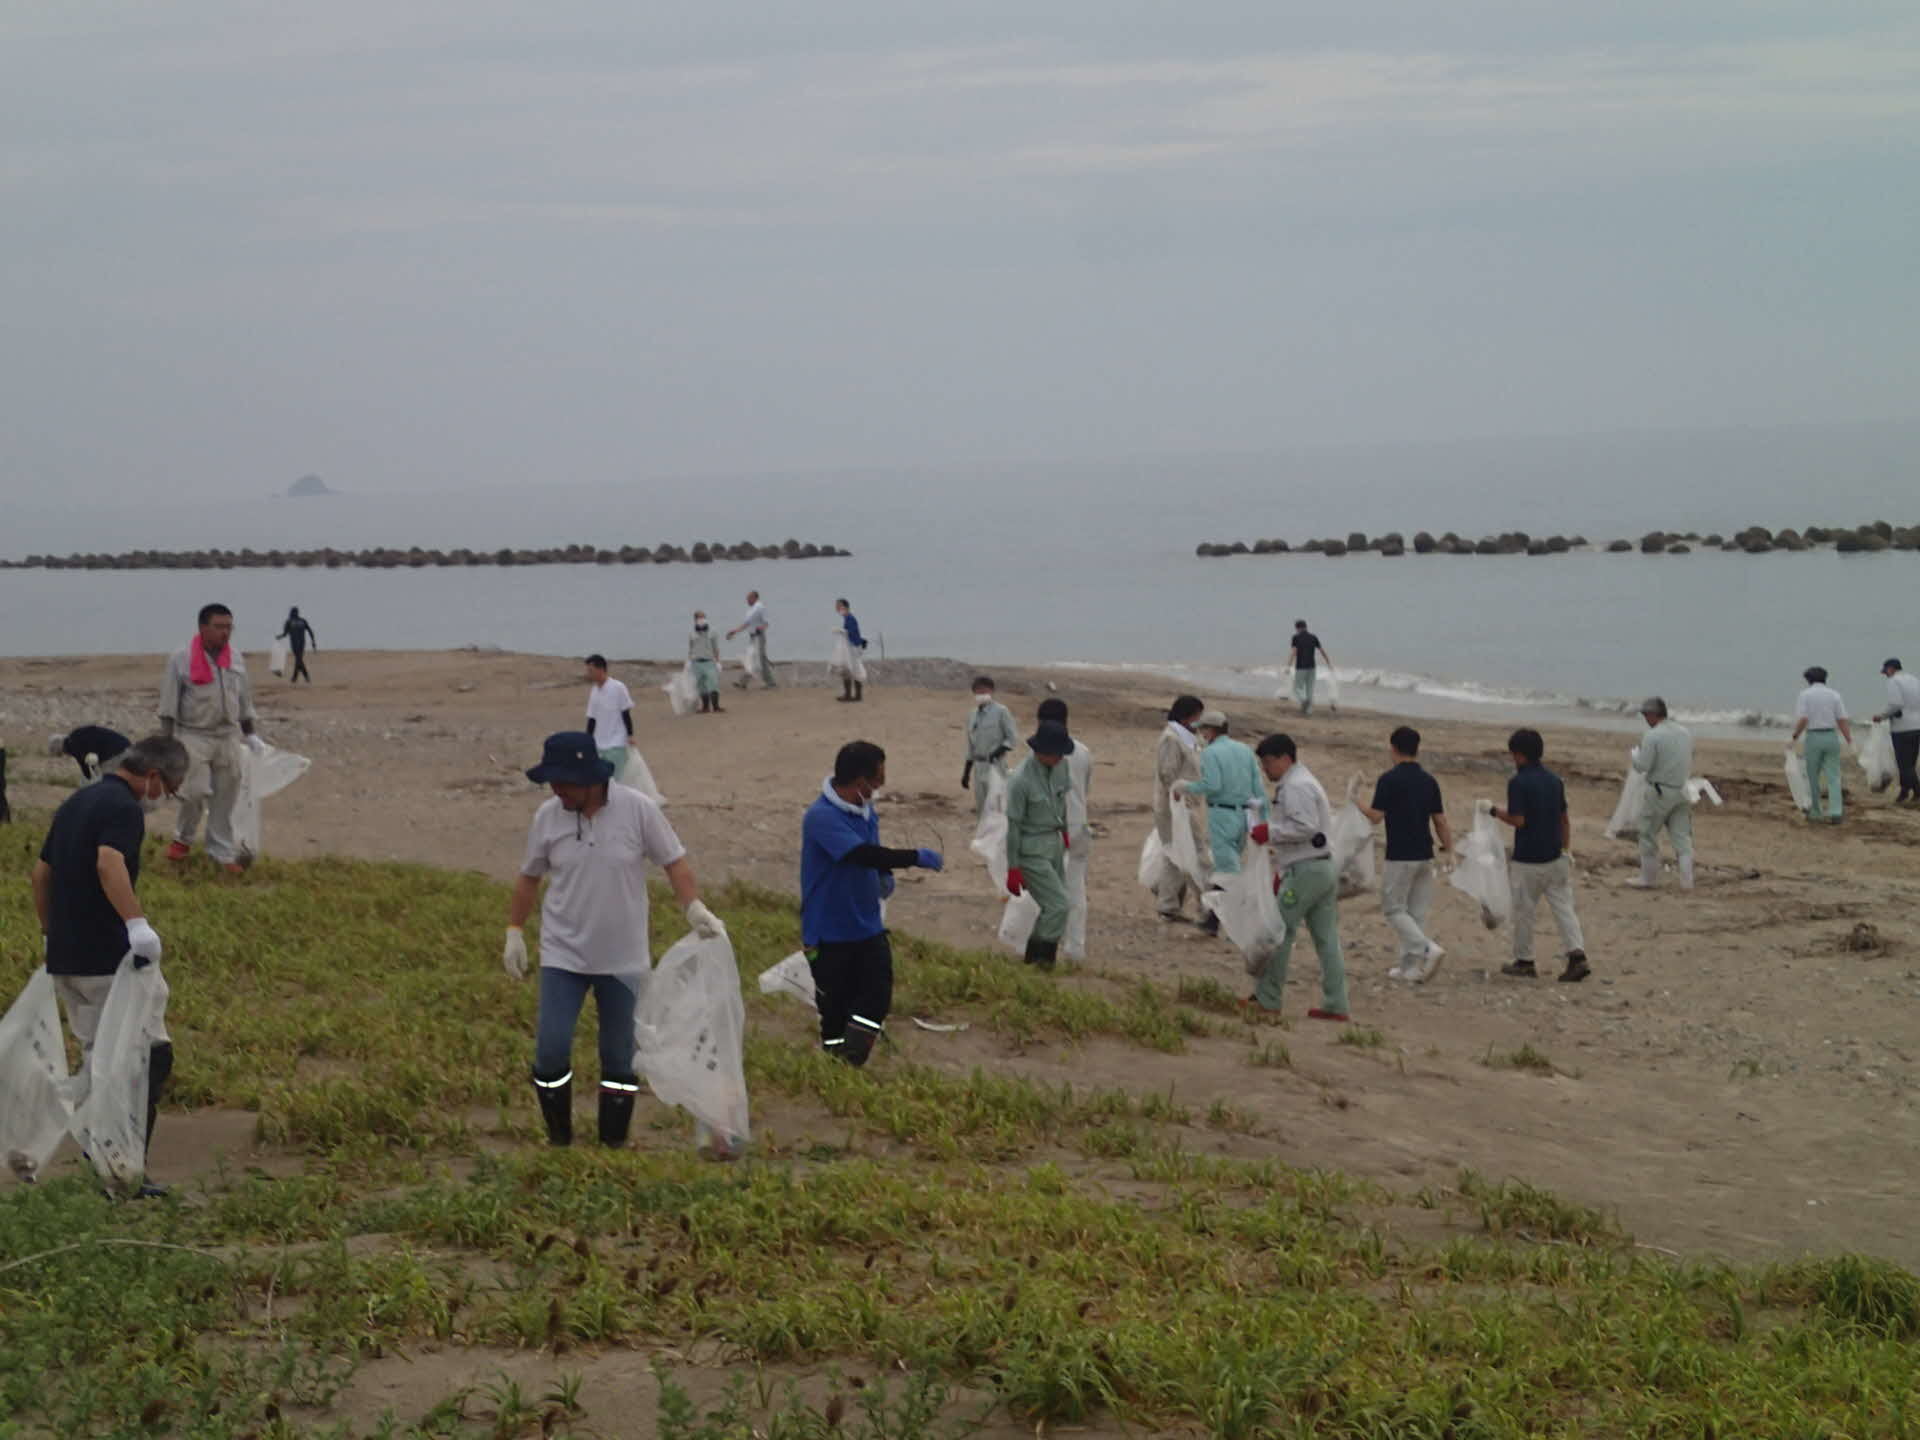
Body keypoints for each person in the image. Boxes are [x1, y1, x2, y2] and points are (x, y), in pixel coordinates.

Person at [502, 732, 725, 1148]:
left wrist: (693, 908)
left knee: (619, 1059)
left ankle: (612, 1145)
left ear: (590, 779)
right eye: (552, 783)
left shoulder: (638, 810)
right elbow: (529, 877)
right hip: (562, 955)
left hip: (624, 958)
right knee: (550, 1052)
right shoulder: (548, 817)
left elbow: (673, 862)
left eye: (564, 783)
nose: (557, 791)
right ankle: (560, 1141)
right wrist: (514, 932)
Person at [24, 734, 190, 1195]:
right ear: (153, 776)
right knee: (147, 1058)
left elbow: (41, 874)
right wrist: (136, 924)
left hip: (67, 960)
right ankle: (122, 1170)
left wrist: (49, 932)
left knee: (102, 1057)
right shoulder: (123, 809)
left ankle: (96, 1148)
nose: (166, 798)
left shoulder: (78, 801)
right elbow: (108, 863)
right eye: (170, 788)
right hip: (107, 960)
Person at [801, 741, 944, 1065]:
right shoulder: (820, 817)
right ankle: (836, 1062)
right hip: (828, 930)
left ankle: (851, 1060)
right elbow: (860, 854)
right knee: (835, 1009)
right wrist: (914, 857)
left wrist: (884, 874)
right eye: (877, 779)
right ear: (859, 780)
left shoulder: (865, 813)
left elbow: (872, 848)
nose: (880, 785)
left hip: (866, 924)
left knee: (877, 996)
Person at [1247, 734, 1349, 1021]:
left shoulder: (1296, 786)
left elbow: (1306, 827)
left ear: (1285, 759)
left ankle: (1268, 998)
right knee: (1326, 938)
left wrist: (1270, 832)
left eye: (1268, 763)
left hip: (1306, 869)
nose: (1265, 770)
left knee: (1278, 932)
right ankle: (1336, 1003)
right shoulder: (1300, 782)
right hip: (1319, 867)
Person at [158, 603, 265, 873]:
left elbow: (244, 699)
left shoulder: (236, 659)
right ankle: (182, 840)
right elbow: (169, 704)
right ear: (203, 628)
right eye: (219, 627)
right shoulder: (180, 659)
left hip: (227, 736)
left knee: (225, 796)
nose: (225, 633)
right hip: (193, 734)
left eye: (229, 627)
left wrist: (250, 734)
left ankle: (221, 853)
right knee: (194, 792)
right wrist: (167, 744)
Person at [1490, 728, 1590, 982]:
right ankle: (1577, 954)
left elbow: (1518, 820)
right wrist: (1566, 849)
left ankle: (1524, 960)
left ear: (1520, 755)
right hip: (1555, 855)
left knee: (1524, 911)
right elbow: (1564, 819)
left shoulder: (1518, 782)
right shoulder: (1555, 781)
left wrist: (1494, 811)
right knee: (1564, 908)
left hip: (1528, 859)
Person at [1356, 726, 1451, 982]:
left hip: (1400, 854)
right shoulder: (1429, 780)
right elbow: (1440, 820)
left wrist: (1357, 802)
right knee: (1415, 912)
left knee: (1393, 908)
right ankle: (1409, 968)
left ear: (1393, 748)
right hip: (1424, 853)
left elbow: (1376, 817)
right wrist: (1448, 848)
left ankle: (1427, 949)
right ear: (1416, 749)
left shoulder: (1389, 779)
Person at [1182, 710, 1267, 938]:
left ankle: (1225, 920)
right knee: (1229, 867)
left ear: (1210, 731)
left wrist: (1186, 786)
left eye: (1203, 730)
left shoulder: (1210, 753)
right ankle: (1213, 919)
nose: (1201, 734)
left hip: (1221, 813)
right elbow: (1258, 788)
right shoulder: (1245, 751)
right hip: (1244, 814)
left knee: (1227, 870)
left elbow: (1213, 785)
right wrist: (1264, 820)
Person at [1004, 722, 1076, 969]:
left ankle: (1034, 961)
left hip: (1053, 844)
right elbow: (1013, 827)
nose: (1060, 758)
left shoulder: (1061, 767)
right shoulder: (1020, 780)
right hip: (1030, 849)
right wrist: (1013, 867)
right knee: (1059, 905)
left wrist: (1065, 831)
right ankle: (1042, 962)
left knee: (1052, 906)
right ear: (1042, 752)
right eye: (1057, 754)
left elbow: (1062, 802)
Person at [1037, 698, 1092, 959]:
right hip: (1079, 826)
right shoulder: (1082, 751)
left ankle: (1043, 945)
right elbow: (1085, 788)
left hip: (1053, 830)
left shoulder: (1040, 754)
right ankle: (1075, 948)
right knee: (1075, 890)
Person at [1152, 695, 1209, 922]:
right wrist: (1180, 799)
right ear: (1187, 716)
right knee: (1196, 855)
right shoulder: (1171, 739)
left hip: (1186, 804)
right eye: (1197, 716)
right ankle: (1207, 907)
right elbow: (1168, 773)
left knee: (1175, 854)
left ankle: (1168, 904)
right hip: (1177, 806)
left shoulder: (1187, 738)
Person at [1629, 698, 1694, 889]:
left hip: (1659, 791)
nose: (1645, 719)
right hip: (1682, 790)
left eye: (1646, 715)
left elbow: (1643, 766)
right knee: (1682, 837)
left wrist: (1634, 757)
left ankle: (1647, 879)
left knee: (1647, 833)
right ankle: (1687, 882)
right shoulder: (1684, 732)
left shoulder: (1653, 735)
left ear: (1652, 715)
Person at [1790, 667, 1853, 824]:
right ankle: (1836, 811)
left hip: (1814, 737)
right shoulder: (1834, 695)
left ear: (1808, 680)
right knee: (1833, 776)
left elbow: (1803, 719)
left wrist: (1794, 736)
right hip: (1831, 736)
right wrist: (1849, 739)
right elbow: (1842, 719)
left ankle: (1816, 811)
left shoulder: (1805, 695)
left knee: (1813, 776)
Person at [962, 676, 1017, 820]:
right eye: (978, 691)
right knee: (982, 808)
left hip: (996, 766)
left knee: (997, 807)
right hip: (978, 767)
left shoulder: (1001, 711)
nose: (981, 694)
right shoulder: (972, 715)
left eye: (984, 690)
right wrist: (966, 771)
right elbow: (970, 745)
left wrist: (998, 751)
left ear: (991, 691)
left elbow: (1011, 738)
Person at [1873, 658, 1920, 803]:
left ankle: (1918, 792)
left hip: (1902, 728)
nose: (1885, 675)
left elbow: (1896, 704)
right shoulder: (1914, 679)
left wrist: (1881, 716)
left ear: (1890, 669)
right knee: (1910, 762)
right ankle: (1904, 792)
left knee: (1904, 764)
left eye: (1885, 671)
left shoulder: (1893, 681)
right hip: (1917, 725)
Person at [583, 655, 639, 775]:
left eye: (591, 671)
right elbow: (592, 719)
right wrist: (587, 741)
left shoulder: (618, 687)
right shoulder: (594, 691)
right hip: (599, 744)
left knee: (614, 779)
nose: (588, 674)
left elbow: (625, 713)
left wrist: (630, 735)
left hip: (617, 742)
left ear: (601, 669)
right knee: (601, 780)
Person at [726, 590, 776, 689]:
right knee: (750, 659)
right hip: (753, 637)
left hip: (759, 637)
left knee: (760, 660)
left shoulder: (760, 607)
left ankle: (770, 683)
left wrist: (760, 628)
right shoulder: (751, 610)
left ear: (755, 598)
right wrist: (735, 631)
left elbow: (766, 623)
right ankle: (743, 683)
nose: (747, 600)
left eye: (749, 598)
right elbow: (747, 623)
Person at [48, 725, 132, 781]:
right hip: (127, 747)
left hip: (114, 753)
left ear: (60, 748)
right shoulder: (76, 735)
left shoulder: (72, 745)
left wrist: (90, 780)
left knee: (110, 783)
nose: (66, 755)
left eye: (61, 753)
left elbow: (85, 763)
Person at [1286, 621, 1331, 716]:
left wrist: (1288, 666)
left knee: (1296, 688)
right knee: (1309, 689)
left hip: (1301, 667)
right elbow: (1322, 651)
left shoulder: (1296, 637)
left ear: (1298, 628)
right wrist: (1328, 663)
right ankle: (1308, 711)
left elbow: (1294, 652)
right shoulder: (1313, 637)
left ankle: (1303, 701)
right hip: (1312, 667)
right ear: (1306, 627)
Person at [831, 599, 869, 704]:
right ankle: (849, 695)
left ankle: (856, 696)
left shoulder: (850, 618)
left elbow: (852, 633)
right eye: (837, 607)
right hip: (851, 648)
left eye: (839, 606)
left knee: (854, 670)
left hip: (853, 649)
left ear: (844, 607)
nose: (837, 609)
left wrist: (842, 631)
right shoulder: (847, 618)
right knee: (847, 670)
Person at [688, 612, 724, 714]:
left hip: (709, 662)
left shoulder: (712, 632)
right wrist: (689, 662)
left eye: (703, 618)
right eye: (699, 618)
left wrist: (718, 662)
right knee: (701, 686)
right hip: (696, 662)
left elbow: (716, 648)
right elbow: (691, 648)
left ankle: (716, 707)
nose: (701, 620)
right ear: (695, 620)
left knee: (713, 684)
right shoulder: (692, 633)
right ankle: (705, 707)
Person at [276, 607, 317, 684]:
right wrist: (313, 641)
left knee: (299, 660)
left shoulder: (289, 622)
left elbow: (285, 634)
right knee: (298, 659)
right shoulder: (302, 621)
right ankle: (296, 678)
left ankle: (304, 677)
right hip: (302, 643)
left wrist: (279, 637)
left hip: (295, 644)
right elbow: (310, 631)